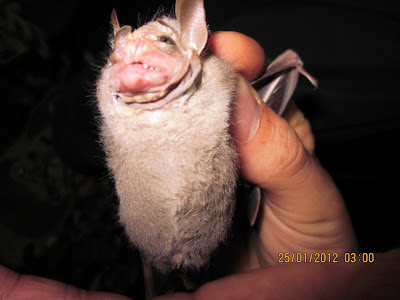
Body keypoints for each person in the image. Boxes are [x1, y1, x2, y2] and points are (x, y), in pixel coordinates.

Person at [0, 31, 399, 300]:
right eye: (119, 52)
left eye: (156, 42)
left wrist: (352, 274)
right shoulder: (111, 93)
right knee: (73, 132)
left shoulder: (211, 72)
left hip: (231, 228)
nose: (132, 56)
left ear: (193, 37)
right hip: (156, 234)